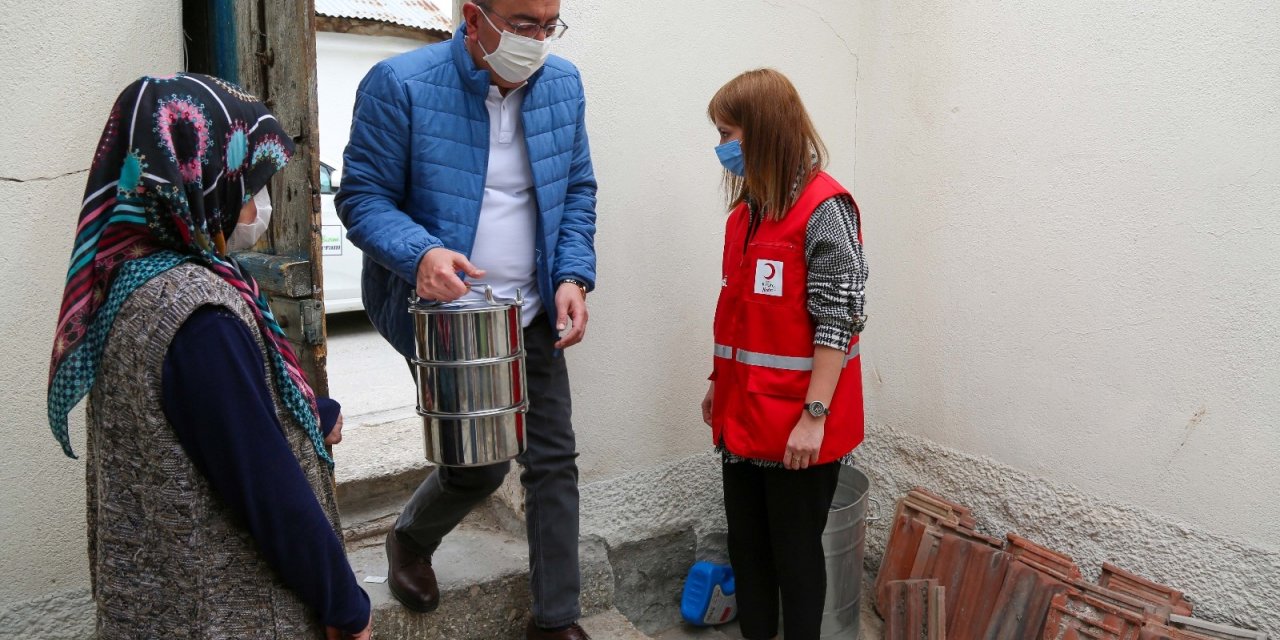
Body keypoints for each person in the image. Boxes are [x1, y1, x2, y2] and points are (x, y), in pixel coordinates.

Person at [46, 73, 372, 640]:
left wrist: (309, 413)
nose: (257, 204)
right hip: (221, 611)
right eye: (248, 184)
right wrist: (345, 606)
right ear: (197, 177)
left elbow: (205, 422)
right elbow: (267, 488)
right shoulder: (199, 317)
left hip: (163, 602)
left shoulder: (130, 279)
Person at [335, 0, 596, 637]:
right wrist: (418, 252)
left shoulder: (563, 86)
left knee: (553, 461)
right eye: (523, 24)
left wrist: (571, 276)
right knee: (480, 465)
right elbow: (362, 197)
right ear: (473, 19)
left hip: (531, 309)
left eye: (548, 24)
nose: (537, 40)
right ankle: (409, 539)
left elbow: (579, 189)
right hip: (447, 318)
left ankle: (555, 620)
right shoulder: (400, 85)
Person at [701, 68, 868, 640]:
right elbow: (744, 318)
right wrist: (714, 386)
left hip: (799, 428)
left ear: (764, 133)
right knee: (748, 552)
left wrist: (814, 417)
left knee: (795, 561)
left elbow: (838, 322)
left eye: (729, 134)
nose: (721, 147)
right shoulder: (746, 216)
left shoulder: (825, 210)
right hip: (742, 418)